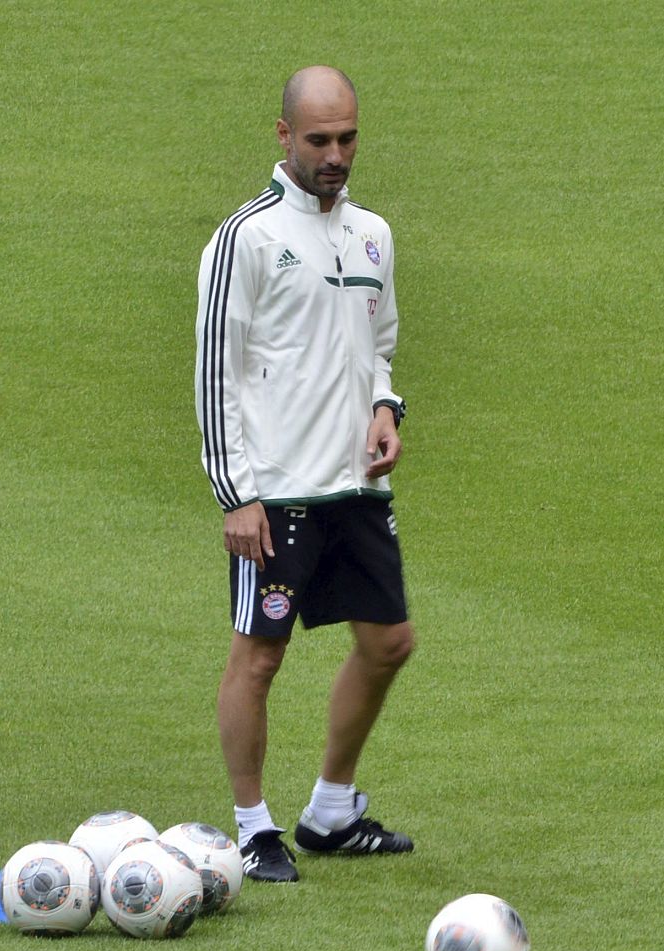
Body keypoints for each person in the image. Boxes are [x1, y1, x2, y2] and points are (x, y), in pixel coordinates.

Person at [194, 66, 415, 884]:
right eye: (319, 140)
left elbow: (379, 342)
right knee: (259, 657)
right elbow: (215, 370)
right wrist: (236, 492)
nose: (336, 155)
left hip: (356, 486)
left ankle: (330, 809)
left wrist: (386, 408)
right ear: (283, 136)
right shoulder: (245, 239)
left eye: (347, 138)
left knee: (389, 642)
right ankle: (253, 827)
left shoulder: (373, 234)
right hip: (277, 490)